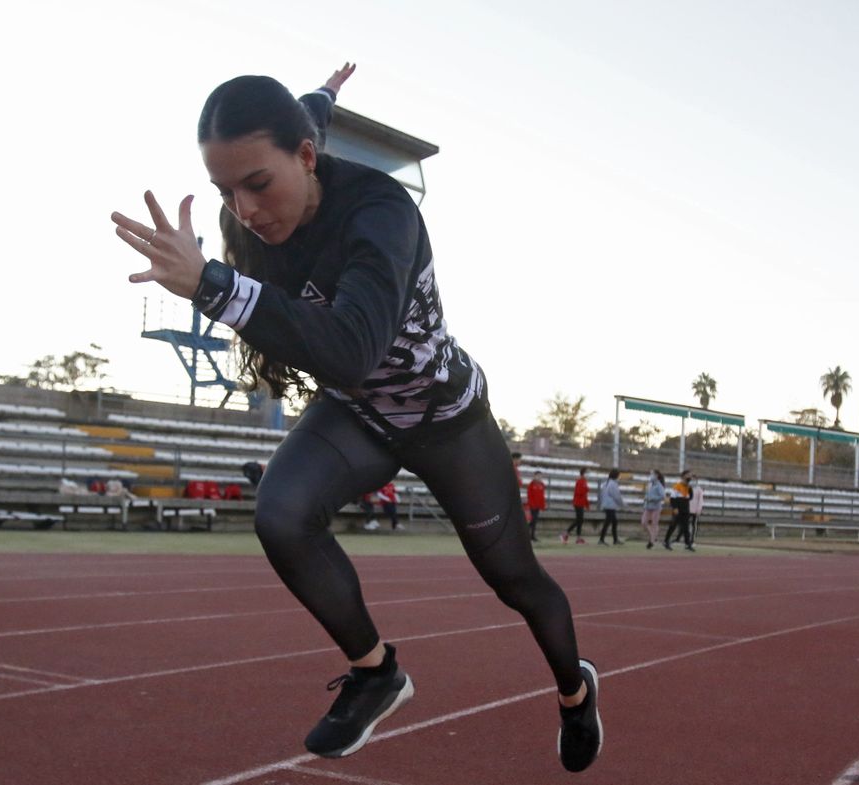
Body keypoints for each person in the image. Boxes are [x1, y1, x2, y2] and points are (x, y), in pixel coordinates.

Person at [110, 66, 599, 771]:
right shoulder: (261, 197)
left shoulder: (382, 211)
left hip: (444, 414)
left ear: (307, 156)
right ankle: (376, 671)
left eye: (257, 183)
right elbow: (307, 115)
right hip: (359, 416)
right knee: (279, 512)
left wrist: (213, 286)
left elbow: (352, 352)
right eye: (225, 190)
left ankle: (573, 692)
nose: (243, 211)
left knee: (514, 579)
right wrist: (324, 95)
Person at [663, 469, 693, 551]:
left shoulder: (688, 486)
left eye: (691, 475)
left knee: (686, 527)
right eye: (688, 475)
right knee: (673, 526)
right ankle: (666, 541)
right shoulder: (677, 485)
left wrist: (690, 488)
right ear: (683, 476)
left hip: (686, 509)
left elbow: (690, 497)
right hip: (678, 509)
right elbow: (672, 498)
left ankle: (688, 544)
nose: (690, 476)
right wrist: (675, 508)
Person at [641, 469, 667, 549]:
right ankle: (652, 536)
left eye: (652, 474)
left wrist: (652, 498)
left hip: (656, 507)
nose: (651, 476)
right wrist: (646, 498)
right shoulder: (650, 484)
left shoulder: (659, 485)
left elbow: (663, 496)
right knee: (644, 522)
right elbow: (647, 494)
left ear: (657, 476)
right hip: (648, 506)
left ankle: (651, 541)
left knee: (654, 523)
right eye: (650, 474)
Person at [597, 469, 623, 545]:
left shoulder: (606, 483)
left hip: (607, 505)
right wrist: (622, 504)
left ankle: (615, 540)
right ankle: (601, 540)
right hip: (610, 506)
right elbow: (616, 496)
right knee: (608, 522)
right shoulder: (613, 484)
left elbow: (602, 495)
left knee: (614, 522)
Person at [564, 468, 589, 544]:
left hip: (581, 503)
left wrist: (586, 504)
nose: (588, 474)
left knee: (580, 520)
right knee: (579, 520)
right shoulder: (580, 481)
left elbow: (584, 495)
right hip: (578, 503)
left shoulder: (584, 481)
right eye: (587, 473)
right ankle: (566, 533)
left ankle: (578, 537)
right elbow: (578, 492)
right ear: (583, 473)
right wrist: (586, 489)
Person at [526, 472, 548, 542]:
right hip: (532, 506)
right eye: (538, 476)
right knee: (533, 521)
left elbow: (542, 496)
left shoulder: (542, 485)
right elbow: (529, 496)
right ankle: (529, 535)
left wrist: (543, 505)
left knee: (534, 521)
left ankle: (532, 536)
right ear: (534, 476)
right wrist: (532, 505)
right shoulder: (531, 485)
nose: (539, 478)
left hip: (538, 506)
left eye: (540, 476)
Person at [686, 477, 704, 550]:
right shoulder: (687, 488)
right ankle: (687, 540)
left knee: (693, 525)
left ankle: (692, 540)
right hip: (687, 510)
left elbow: (701, 500)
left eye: (694, 480)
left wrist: (699, 509)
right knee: (686, 525)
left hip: (695, 510)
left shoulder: (699, 490)